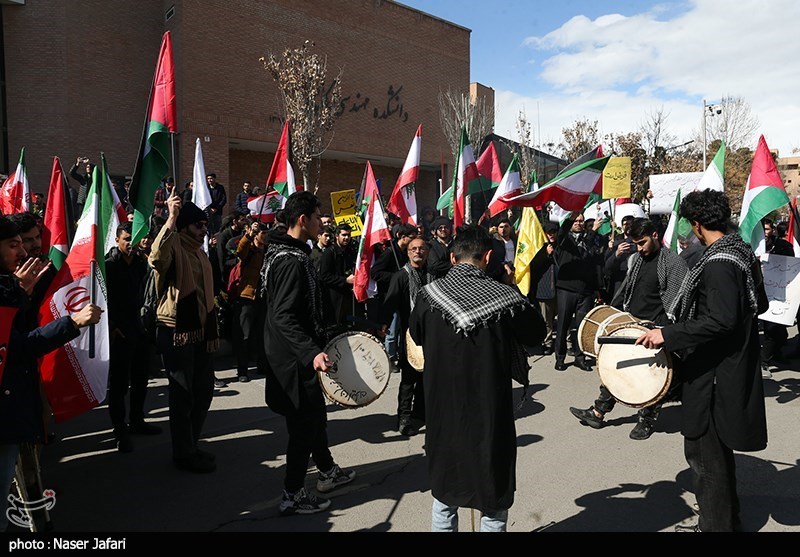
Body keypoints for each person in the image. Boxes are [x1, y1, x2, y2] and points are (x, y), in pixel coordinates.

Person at [636, 189, 768, 532]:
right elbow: (760, 305)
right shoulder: (742, 252)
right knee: (717, 458)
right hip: (728, 367)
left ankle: (715, 529)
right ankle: (726, 521)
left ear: (696, 225)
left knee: (705, 458)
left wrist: (668, 334)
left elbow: (722, 320)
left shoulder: (720, 262)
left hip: (714, 375)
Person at [409, 225, 545, 532]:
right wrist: (513, 290)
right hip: (489, 414)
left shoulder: (428, 295)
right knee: (492, 496)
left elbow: (416, 335)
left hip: (443, 412)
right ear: (487, 257)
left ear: (454, 259)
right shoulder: (506, 298)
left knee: (445, 494)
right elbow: (536, 333)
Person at [0, 215, 102, 531]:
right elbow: (14, 346)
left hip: (21, 396)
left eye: (27, 241)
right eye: (14, 244)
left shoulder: (18, 280)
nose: (24, 250)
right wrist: (72, 323)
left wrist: (21, 292)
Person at [260, 190, 356, 516]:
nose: (322, 223)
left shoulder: (292, 253)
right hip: (292, 360)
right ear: (303, 220)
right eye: (318, 218)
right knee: (304, 427)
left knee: (315, 419)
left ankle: (327, 472)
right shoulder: (289, 261)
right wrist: (310, 352)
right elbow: (282, 316)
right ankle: (292, 493)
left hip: (296, 354)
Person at [569, 218, 688, 440]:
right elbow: (628, 289)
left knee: (651, 378)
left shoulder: (673, 263)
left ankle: (647, 420)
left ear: (655, 235)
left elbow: (680, 301)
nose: (640, 248)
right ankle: (598, 412)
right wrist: (613, 311)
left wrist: (664, 331)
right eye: (636, 243)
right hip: (631, 323)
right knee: (618, 368)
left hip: (656, 327)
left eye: (642, 242)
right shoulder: (638, 259)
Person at [149, 191, 219, 473]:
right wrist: (172, 217)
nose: (204, 230)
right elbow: (156, 256)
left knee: (204, 391)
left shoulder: (199, 251)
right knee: (183, 394)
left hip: (202, 330)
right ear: (185, 225)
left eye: (205, 226)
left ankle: (192, 443)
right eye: (198, 225)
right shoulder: (174, 245)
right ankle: (184, 454)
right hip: (176, 329)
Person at [105, 222, 162, 452]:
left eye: (133, 238)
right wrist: (113, 326)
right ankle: (120, 430)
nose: (130, 243)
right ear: (118, 240)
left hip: (141, 329)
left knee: (141, 380)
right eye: (126, 238)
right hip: (120, 332)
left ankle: (137, 421)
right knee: (119, 386)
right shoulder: (109, 266)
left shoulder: (141, 263)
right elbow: (102, 300)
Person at [381, 237, 434, 436]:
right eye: (414, 249)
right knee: (408, 379)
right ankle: (404, 418)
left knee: (427, 376)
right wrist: (383, 324)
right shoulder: (401, 277)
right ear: (408, 253)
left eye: (422, 248)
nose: (418, 251)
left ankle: (422, 412)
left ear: (427, 252)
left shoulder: (434, 275)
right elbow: (390, 303)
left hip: (431, 334)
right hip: (410, 336)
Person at [553, 212, 603, 372]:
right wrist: (571, 215)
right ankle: (560, 358)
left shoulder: (589, 239)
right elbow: (562, 231)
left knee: (582, 326)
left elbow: (592, 255)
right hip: (566, 289)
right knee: (563, 324)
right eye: (576, 220)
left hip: (585, 290)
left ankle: (580, 357)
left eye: (581, 221)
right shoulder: (565, 239)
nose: (578, 223)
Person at [371, 222, 417, 363]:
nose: (413, 240)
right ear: (402, 237)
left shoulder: (405, 253)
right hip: (391, 296)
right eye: (411, 237)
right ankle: (390, 358)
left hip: (404, 296)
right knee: (391, 330)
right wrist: (396, 277)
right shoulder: (390, 252)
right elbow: (375, 273)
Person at [229, 221, 268, 382]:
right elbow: (240, 251)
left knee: (262, 334)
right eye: (263, 234)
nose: (266, 237)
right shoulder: (249, 249)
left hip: (263, 297)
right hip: (247, 296)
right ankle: (242, 370)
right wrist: (248, 235)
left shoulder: (268, 251)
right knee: (244, 336)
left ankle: (262, 366)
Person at [317, 222, 356, 329]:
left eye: (348, 235)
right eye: (344, 235)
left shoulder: (350, 252)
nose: (346, 238)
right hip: (333, 300)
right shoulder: (329, 253)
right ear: (337, 236)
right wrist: (345, 280)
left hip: (347, 299)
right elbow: (324, 276)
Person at [530, 221, 559, 355]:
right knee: (546, 320)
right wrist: (545, 254)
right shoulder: (538, 248)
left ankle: (566, 343)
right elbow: (533, 266)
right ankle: (548, 343)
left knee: (566, 319)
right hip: (544, 289)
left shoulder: (561, 246)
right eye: (549, 232)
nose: (552, 235)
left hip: (560, 289)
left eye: (554, 232)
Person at [603, 215, 635, 300]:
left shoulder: (638, 240)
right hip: (618, 281)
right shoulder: (615, 242)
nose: (628, 226)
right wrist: (617, 253)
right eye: (626, 224)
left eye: (631, 224)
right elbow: (607, 265)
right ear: (622, 226)